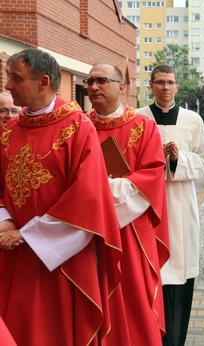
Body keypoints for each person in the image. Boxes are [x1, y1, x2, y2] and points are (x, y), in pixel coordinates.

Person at [0, 48, 125, 345]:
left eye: (15, 78)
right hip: (12, 252)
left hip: (60, 261)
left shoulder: (77, 127)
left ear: (43, 82)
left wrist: (28, 235)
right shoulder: (9, 130)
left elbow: (88, 198)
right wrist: (5, 224)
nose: (7, 86)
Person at [85, 62, 170, 345]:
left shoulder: (143, 126)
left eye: (101, 80)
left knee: (134, 303)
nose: (93, 87)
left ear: (121, 87)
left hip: (130, 234)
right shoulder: (79, 126)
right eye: (89, 81)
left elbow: (151, 178)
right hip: (87, 233)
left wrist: (96, 190)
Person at [137, 64, 204, 346]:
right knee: (148, 279)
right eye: (159, 82)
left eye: (170, 82)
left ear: (177, 86)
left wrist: (175, 160)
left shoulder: (192, 121)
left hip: (180, 209)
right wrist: (155, 159)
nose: (165, 88)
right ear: (151, 86)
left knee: (178, 278)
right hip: (145, 208)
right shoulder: (138, 120)